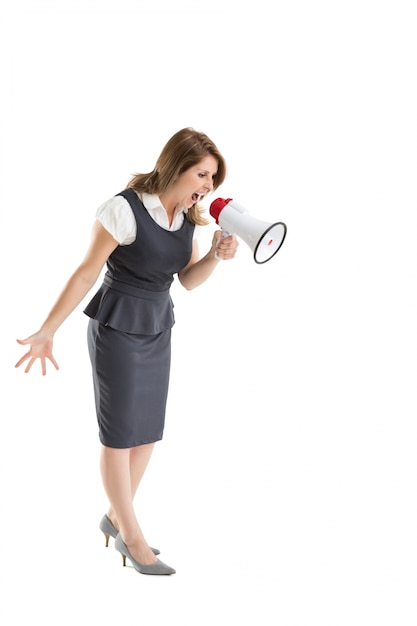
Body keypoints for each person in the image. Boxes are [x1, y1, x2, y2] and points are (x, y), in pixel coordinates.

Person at [15, 127, 239, 576]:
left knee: (147, 432)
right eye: (202, 174)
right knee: (119, 435)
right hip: (117, 325)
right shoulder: (123, 209)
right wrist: (47, 330)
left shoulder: (189, 220)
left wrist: (215, 254)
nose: (208, 187)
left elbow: (188, 281)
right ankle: (132, 537)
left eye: (213, 179)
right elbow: (85, 273)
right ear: (176, 166)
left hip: (158, 327)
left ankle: (116, 518)